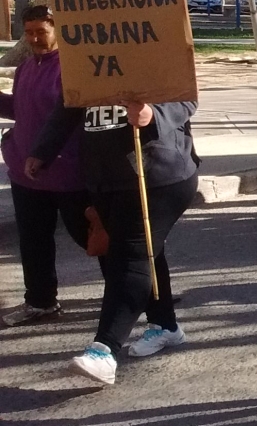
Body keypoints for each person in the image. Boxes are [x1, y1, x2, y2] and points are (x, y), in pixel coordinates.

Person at [33, 96, 200, 385]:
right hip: (105, 177)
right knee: (147, 250)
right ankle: (165, 324)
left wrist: (154, 113)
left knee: (130, 256)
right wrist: (42, 151)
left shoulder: (156, 50)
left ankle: (104, 350)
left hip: (158, 175)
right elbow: (68, 104)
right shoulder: (82, 56)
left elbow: (187, 96)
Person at [0, 6, 92, 327]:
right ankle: (40, 302)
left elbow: (68, 116)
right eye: (29, 32)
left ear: (58, 29)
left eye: (41, 31)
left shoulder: (73, 68)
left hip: (68, 174)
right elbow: (22, 109)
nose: (35, 38)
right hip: (26, 175)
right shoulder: (26, 68)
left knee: (91, 236)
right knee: (33, 240)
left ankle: (136, 289)